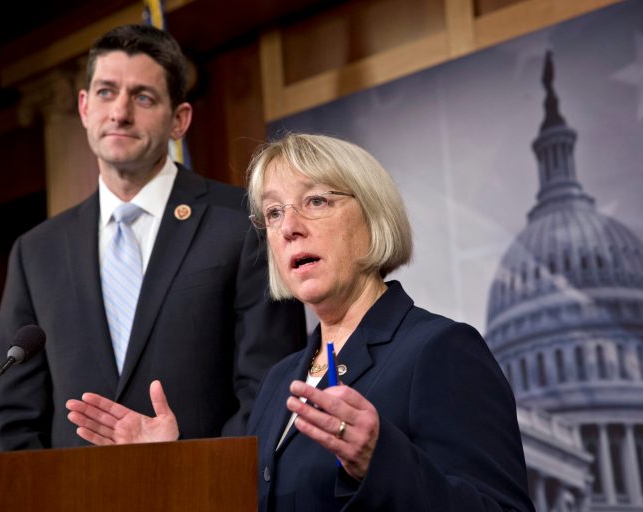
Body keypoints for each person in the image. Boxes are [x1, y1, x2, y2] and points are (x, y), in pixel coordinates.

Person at [65, 133, 535, 511]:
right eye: (273, 212)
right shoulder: (279, 381)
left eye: (315, 202)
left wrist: (382, 462)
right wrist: (176, 465)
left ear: (373, 219)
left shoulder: (440, 351)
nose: (288, 226)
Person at [0, 25, 306, 451]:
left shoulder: (243, 222)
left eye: (142, 97)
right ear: (83, 107)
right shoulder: (36, 251)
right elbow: (11, 419)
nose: (119, 112)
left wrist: (196, 479)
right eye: (105, 92)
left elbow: (268, 390)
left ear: (179, 120)